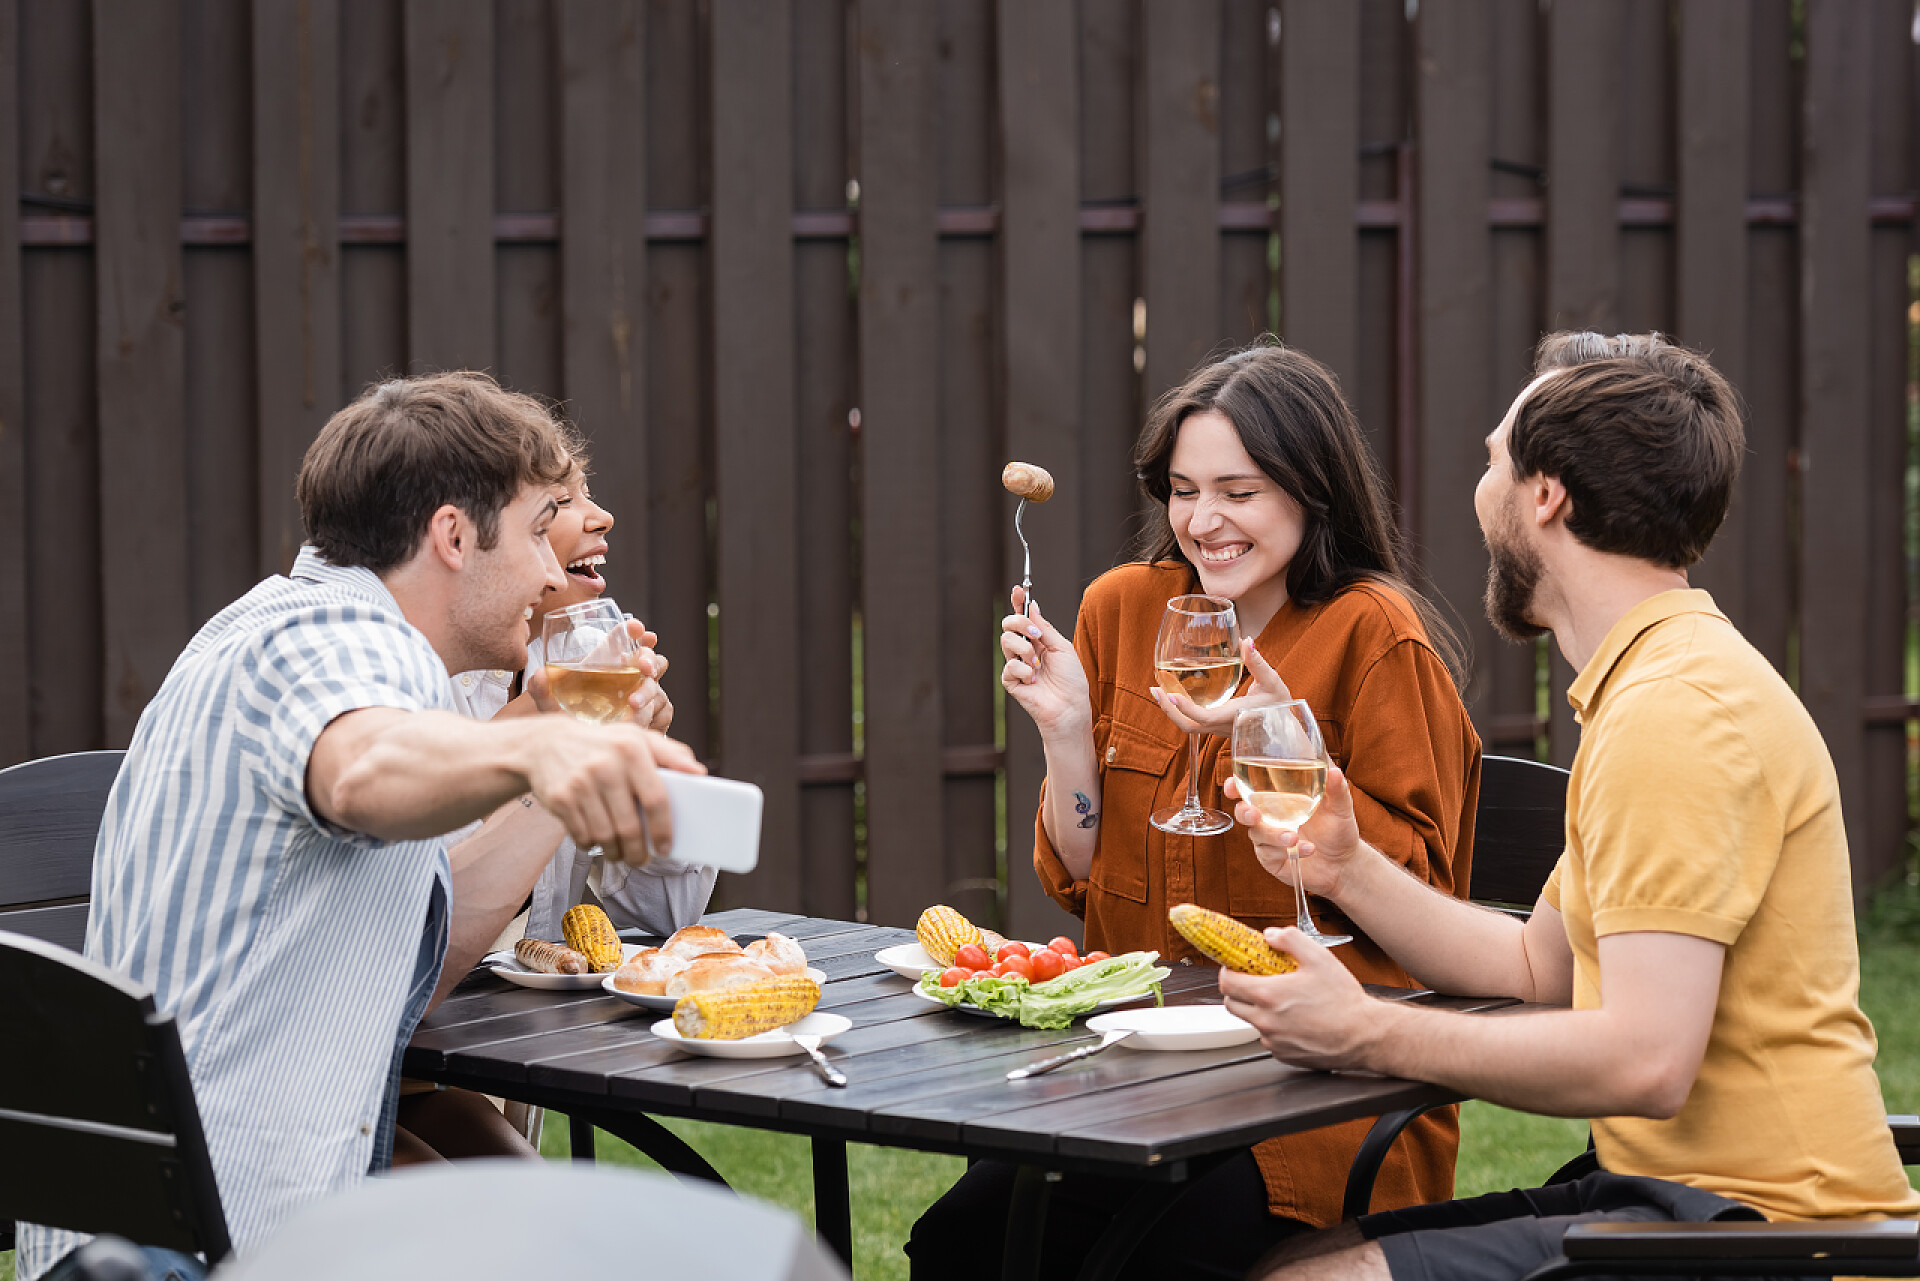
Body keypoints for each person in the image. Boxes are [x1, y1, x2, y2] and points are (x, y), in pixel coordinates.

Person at [1223, 333, 1920, 1281]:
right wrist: (1346, 866)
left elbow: (1645, 1061)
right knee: (1296, 1258)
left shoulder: (1678, 715)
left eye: (1492, 461)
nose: (1482, 490)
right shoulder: (1656, 685)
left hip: (1775, 1235)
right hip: (1677, 1197)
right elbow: (1535, 966)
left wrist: (1366, 1030)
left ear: (1544, 495)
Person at [15, 372, 702, 1280]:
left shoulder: (273, 626)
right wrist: (540, 756)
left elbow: (435, 932)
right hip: (192, 1255)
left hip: (175, 1230)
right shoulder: (346, 639)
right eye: (540, 529)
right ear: (453, 535)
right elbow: (360, 767)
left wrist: (557, 740)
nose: (549, 572)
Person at [907, 342, 1483, 1279]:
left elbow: (1416, 896)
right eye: (1182, 490)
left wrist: (1277, 734)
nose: (1203, 521)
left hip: (1314, 1096)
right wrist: (1065, 731)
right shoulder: (1125, 609)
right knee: (964, 1241)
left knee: (1151, 1259)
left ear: (1312, 490)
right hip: (1134, 1070)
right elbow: (1085, 876)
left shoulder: (1373, 635)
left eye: (1238, 492)